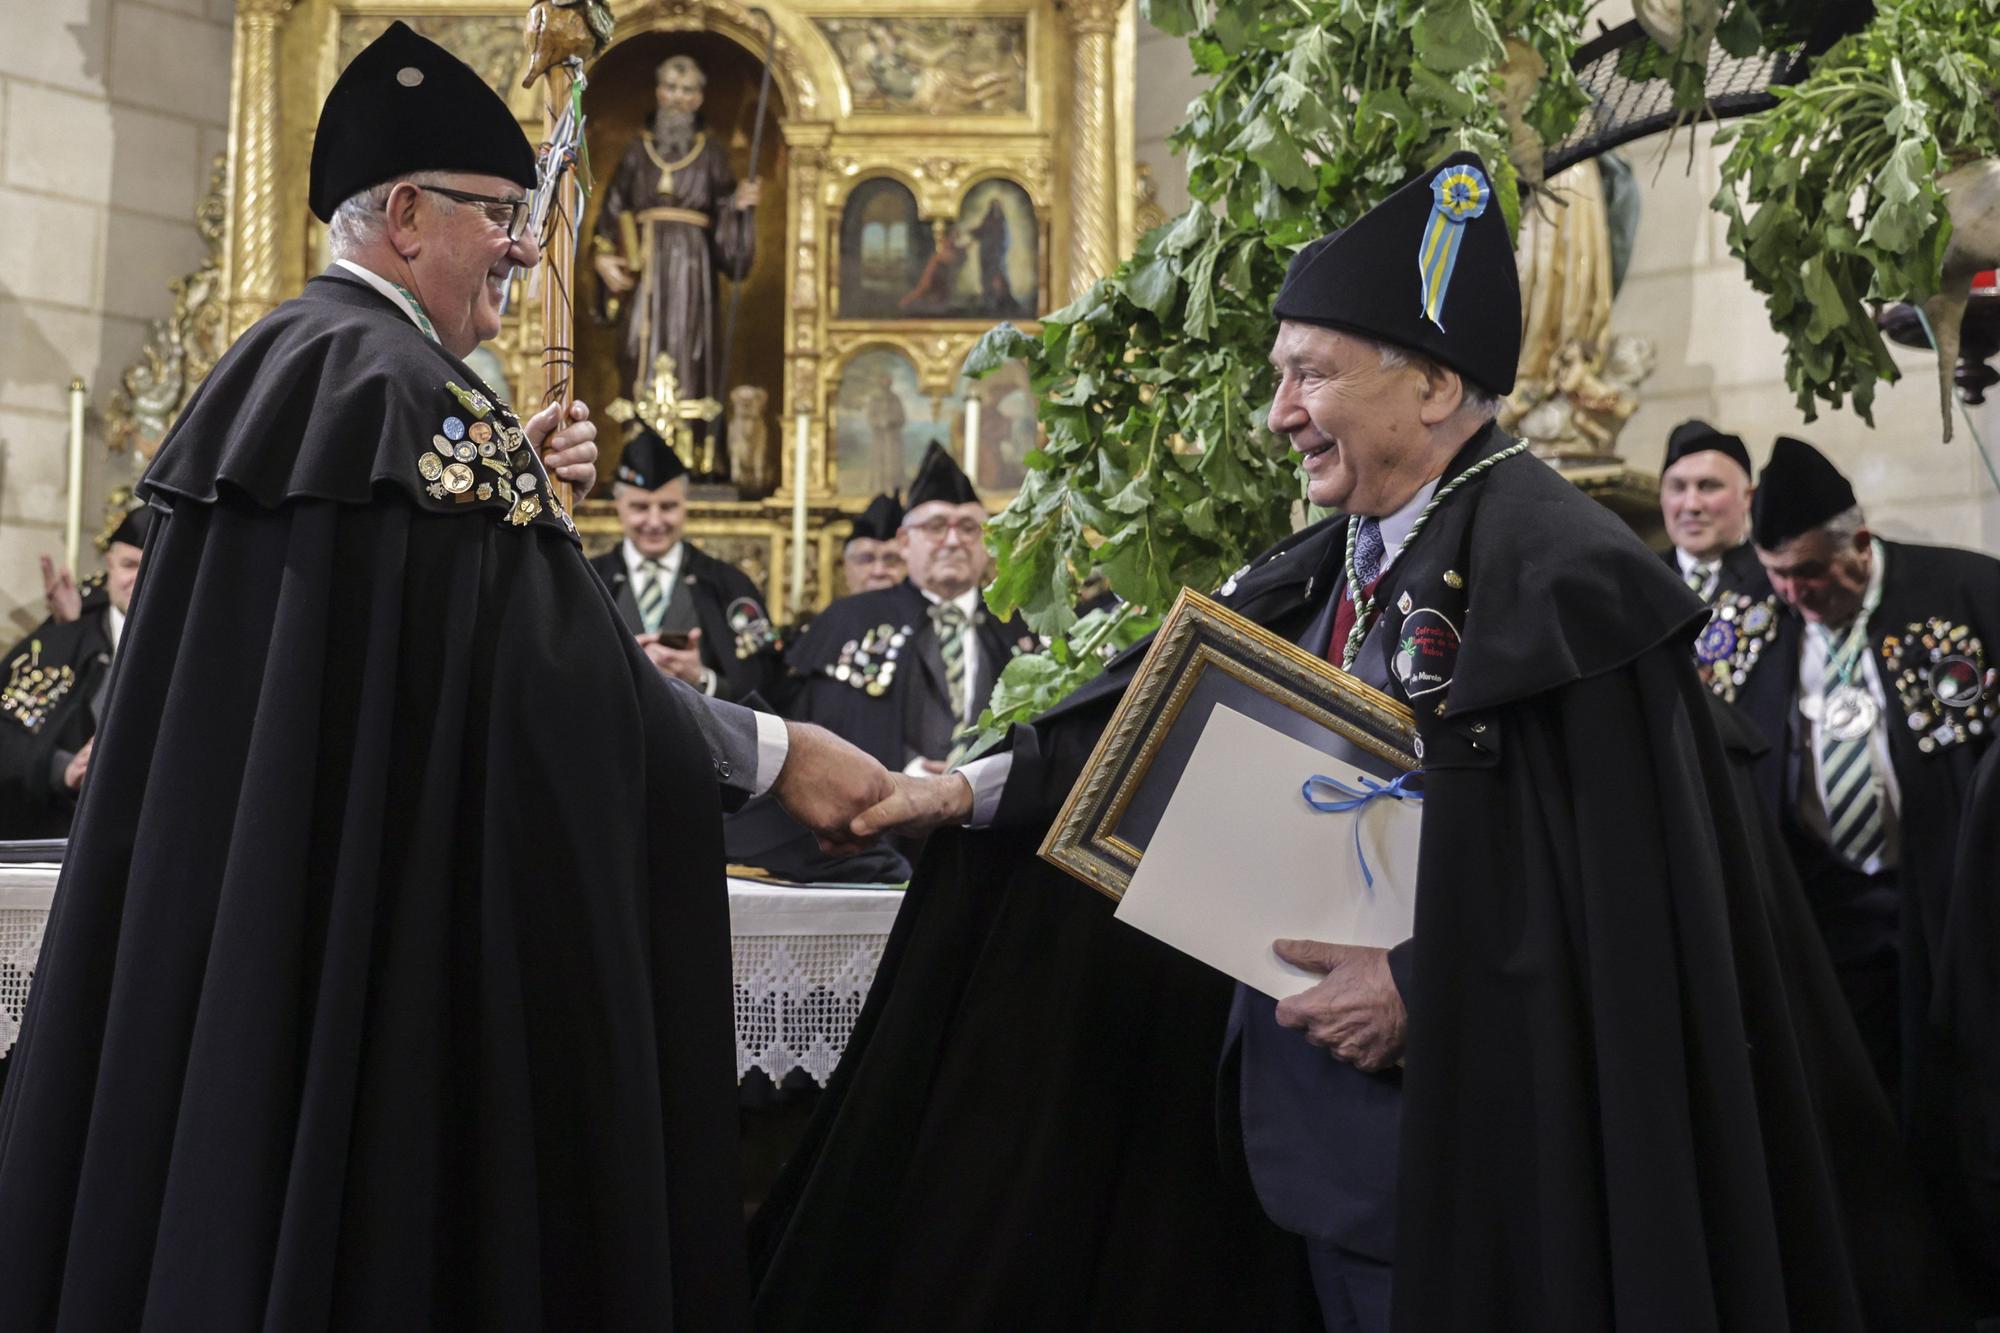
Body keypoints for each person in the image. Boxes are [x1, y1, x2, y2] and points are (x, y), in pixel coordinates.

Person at [753, 153, 1967, 1331]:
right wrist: (959, 794)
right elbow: (1145, 726)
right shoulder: (1330, 557)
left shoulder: (1570, 584)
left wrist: (1421, 984)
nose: (1279, 413)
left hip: (1472, 1170)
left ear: (1431, 386)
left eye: (1307, 376)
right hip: (1290, 1154)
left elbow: (1634, 895)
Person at [0, 25, 890, 1328]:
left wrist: (498, 486)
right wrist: (772, 752)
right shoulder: (412, 392)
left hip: (255, 928)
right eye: (497, 218)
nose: (527, 252)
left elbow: (381, 643)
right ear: (406, 216)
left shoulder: (285, 363)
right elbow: (547, 683)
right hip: (361, 967)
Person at [1747, 434, 2000, 1310]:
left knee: (1961, 1087)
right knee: (1850, 1100)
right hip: (1827, 902)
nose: (1793, 594)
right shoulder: (1759, 617)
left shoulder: (1966, 589)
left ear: (1859, 543)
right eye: (1776, 574)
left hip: (1948, 895)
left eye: (1809, 573)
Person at [782, 442, 1031, 776]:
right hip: (880, 812)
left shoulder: (1022, 626)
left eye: (969, 528)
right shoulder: (850, 619)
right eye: (936, 526)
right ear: (904, 541)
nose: (954, 541)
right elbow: (819, 727)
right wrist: (900, 770)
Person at [591, 54, 759, 414]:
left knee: (691, 343)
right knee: (636, 342)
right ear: (658, 92)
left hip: (692, 267)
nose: (678, 97)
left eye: (687, 90)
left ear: (698, 98)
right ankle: (638, 436)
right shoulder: (637, 150)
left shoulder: (712, 152)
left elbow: (726, 216)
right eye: (670, 87)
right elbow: (612, 208)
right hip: (645, 263)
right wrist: (603, 255)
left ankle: (692, 448)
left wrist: (739, 206)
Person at [589, 423, 779, 702]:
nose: (654, 522)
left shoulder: (729, 584)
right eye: (640, 507)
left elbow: (768, 687)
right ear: (618, 505)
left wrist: (703, 679)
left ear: (685, 503)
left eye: (668, 507)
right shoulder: (589, 578)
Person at [0, 508, 148, 839]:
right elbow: (7, 733)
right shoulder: (62, 642)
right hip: (65, 835)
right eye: (129, 565)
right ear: (108, 566)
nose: (139, 577)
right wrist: (62, 768)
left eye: (151, 565)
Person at [1658, 419, 1786, 711]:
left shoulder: (1777, 579)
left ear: (1748, 498)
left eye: (1708, 486)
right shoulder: (1636, 582)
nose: (1691, 504)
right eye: (1678, 487)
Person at [839, 491, 905, 595]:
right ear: (846, 569)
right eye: (866, 559)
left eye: (892, 559)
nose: (878, 572)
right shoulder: (834, 611)